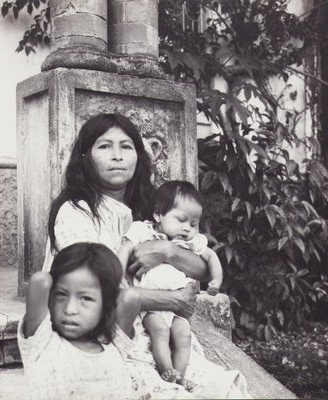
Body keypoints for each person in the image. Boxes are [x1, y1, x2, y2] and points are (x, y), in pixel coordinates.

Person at [42, 113, 251, 399]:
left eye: (126, 147)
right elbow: (95, 292)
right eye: (104, 147)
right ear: (85, 157)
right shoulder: (75, 213)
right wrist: (173, 299)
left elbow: (201, 268)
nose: (117, 156)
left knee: (225, 392)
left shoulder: (150, 207)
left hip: (159, 335)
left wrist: (165, 251)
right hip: (105, 336)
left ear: (138, 156)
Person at [118, 180, 223, 390]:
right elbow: (125, 248)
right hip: (152, 306)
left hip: (178, 310)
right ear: (158, 214)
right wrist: (119, 276)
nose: (187, 228)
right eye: (181, 220)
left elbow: (210, 257)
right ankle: (166, 368)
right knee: (160, 332)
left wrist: (216, 280)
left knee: (183, 334)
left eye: (194, 224)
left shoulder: (190, 242)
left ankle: (180, 375)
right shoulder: (142, 230)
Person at [18, 242, 141, 400]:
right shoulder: (41, 343)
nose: (70, 309)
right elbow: (40, 280)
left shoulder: (113, 344)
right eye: (61, 294)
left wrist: (108, 291)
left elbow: (131, 298)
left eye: (86, 298)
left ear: (107, 303)